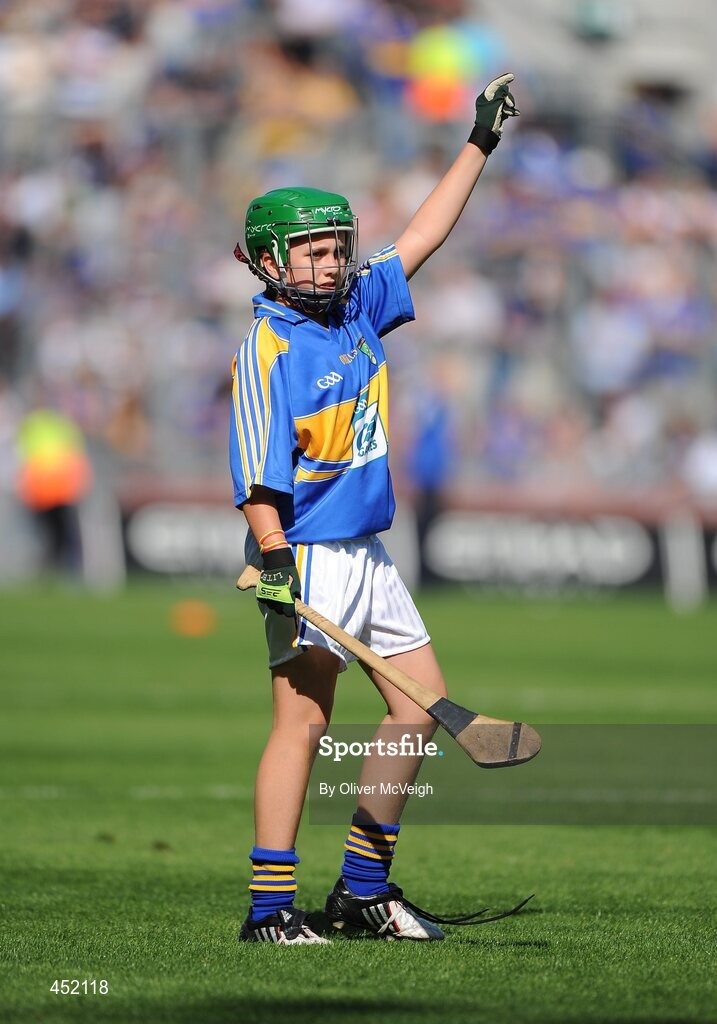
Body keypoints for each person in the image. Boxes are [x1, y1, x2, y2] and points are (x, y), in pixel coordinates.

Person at [230, 75, 519, 944]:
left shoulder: (357, 306)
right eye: (312, 251)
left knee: (418, 704)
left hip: (366, 552)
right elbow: (254, 469)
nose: (331, 262)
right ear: (269, 261)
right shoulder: (268, 344)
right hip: (307, 551)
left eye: (335, 247)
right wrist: (273, 556)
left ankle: (362, 892)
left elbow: (425, 233)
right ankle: (269, 910)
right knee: (304, 722)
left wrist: (479, 145)